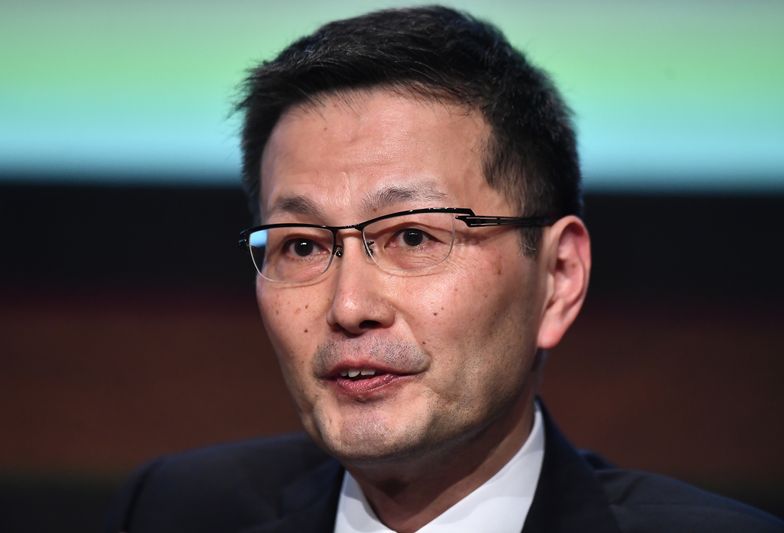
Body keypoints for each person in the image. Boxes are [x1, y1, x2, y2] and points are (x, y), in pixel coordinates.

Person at [106, 6, 782, 533]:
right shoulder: (172, 509)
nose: (348, 306)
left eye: (411, 235)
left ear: (558, 278)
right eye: (304, 245)